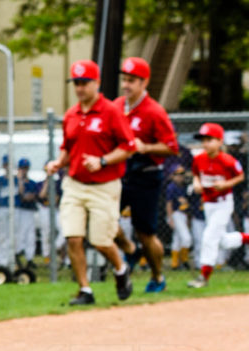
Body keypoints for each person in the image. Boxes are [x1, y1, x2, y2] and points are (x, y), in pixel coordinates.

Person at [45, 60, 136, 306]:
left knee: (101, 241)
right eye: (77, 83)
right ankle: (85, 289)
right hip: (74, 183)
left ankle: (120, 269)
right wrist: (58, 162)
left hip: (104, 185)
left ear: (97, 83)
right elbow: (68, 146)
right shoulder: (71, 114)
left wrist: (103, 160)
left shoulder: (111, 111)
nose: (80, 88)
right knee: (73, 237)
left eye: (85, 83)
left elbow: (129, 146)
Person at [114, 57, 179, 293]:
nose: (126, 85)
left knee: (146, 232)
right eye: (125, 80)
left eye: (132, 81)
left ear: (144, 82)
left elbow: (172, 147)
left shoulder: (154, 111)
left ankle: (157, 276)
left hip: (146, 175)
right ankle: (131, 250)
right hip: (121, 173)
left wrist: (146, 147)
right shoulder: (117, 106)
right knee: (104, 221)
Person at [187, 122, 248, 288]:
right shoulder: (199, 158)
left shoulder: (227, 160)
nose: (206, 143)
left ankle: (203, 277)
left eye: (210, 139)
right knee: (222, 241)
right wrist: (196, 183)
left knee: (208, 237)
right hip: (208, 203)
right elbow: (195, 175)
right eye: (203, 140)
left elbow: (240, 176)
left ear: (220, 141)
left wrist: (227, 184)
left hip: (223, 203)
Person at [164, 166, 192, 270]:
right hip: (176, 214)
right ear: (172, 176)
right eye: (177, 175)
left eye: (181, 175)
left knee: (177, 239)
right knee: (186, 238)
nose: (180, 177)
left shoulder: (184, 187)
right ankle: (184, 260)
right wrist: (170, 218)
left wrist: (188, 218)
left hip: (184, 214)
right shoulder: (171, 187)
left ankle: (175, 263)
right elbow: (169, 204)